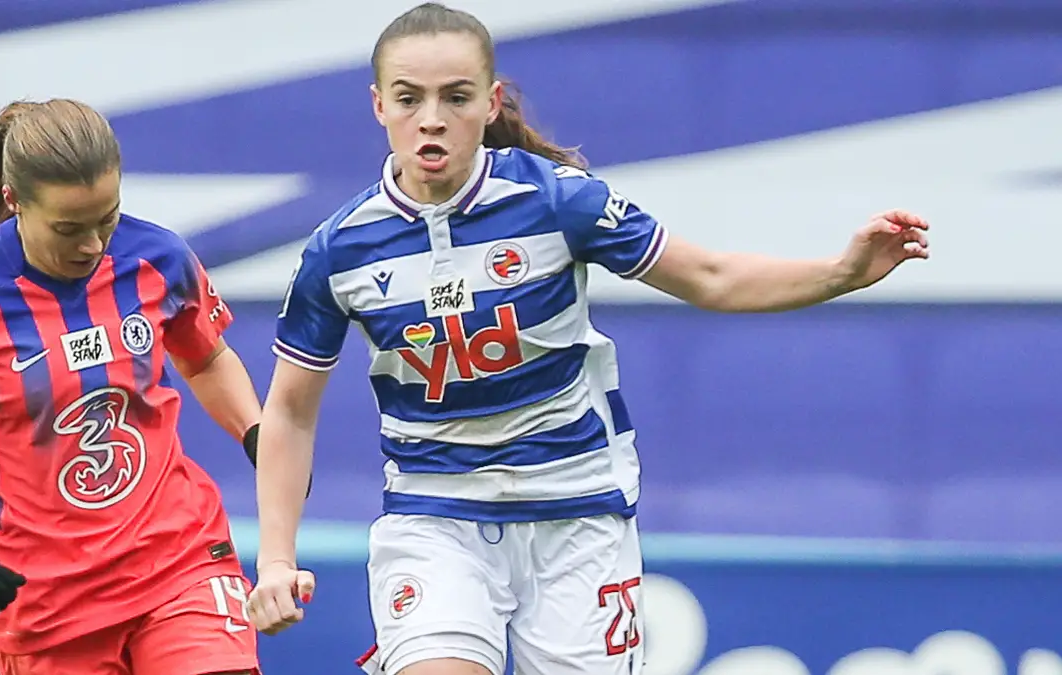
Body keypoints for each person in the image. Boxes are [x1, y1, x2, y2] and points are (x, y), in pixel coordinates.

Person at [244, 3, 931, 674]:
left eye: (455, 97)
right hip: (436, 516)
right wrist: (275, 556)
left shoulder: (559, 201)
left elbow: (713, 277)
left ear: (491, 102)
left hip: (577, 515)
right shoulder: (340, 250)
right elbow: (290, 411)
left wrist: (841, 272)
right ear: (378, 106)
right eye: (409, 98)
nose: (432, 119)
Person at [0, 99, 268, 675]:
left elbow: (206, 359)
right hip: (48, 610)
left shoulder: (159, 258)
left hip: (180, 564)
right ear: (14, 202)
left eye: (107, 218)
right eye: (68, 228)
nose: (92, 245)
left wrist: (256, 432)